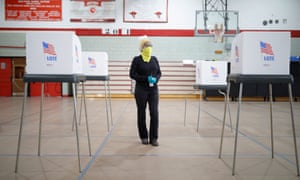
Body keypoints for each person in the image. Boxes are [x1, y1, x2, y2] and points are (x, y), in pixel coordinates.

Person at [129, 37, 161, 146]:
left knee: (154, 113)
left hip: (153, 90)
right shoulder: (137, 60)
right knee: (141, 113)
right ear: (142, 48)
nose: (149, 48)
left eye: (150, 47)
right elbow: (132, 74)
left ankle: (154, 138)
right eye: (147, 46)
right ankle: (143, 136)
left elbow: (159, 73)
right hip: (141, 90)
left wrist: (156, 79)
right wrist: (145, 78)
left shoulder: (154, 59)